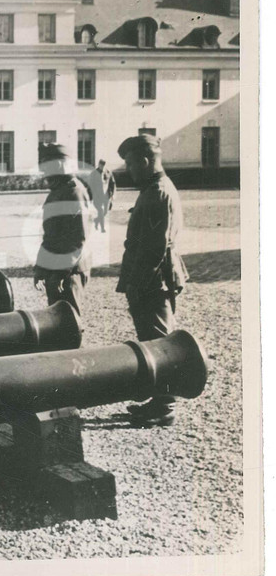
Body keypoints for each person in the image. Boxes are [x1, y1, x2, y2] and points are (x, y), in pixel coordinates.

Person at [116, 134, 189, 427]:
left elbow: (154, 248)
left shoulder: (158, 192)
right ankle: (159, 398)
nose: (130, 170)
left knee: (160, 341)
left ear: (145, 162)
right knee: (152, 338)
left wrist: (136, 283)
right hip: (152, 276)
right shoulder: (153, 188)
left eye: (132, 164)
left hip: (153, 279)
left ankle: (166, 406)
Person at [33, 142, 93, 315]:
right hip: (58, 269)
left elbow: (77, 239)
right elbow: (50, 237)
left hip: (69, 271)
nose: (44, 173)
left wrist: (61, 272)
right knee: (57, 320)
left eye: (47, 167)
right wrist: (41, 268)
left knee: (70, 321)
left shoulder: (74, 192)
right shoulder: (58, 191)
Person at [87, 159, 117, 233]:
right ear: (99, 164)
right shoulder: (93, 173)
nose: (103, 167)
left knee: (105, 212)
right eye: (101, 165)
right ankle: (102, 228)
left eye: (104, 165)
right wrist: (90, 197)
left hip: (106, 196)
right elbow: (90, 185)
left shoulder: (108, 172)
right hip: (97, 196)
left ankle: (96, 220)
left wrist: (112, 194)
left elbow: (112, 183)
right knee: (100, 211)